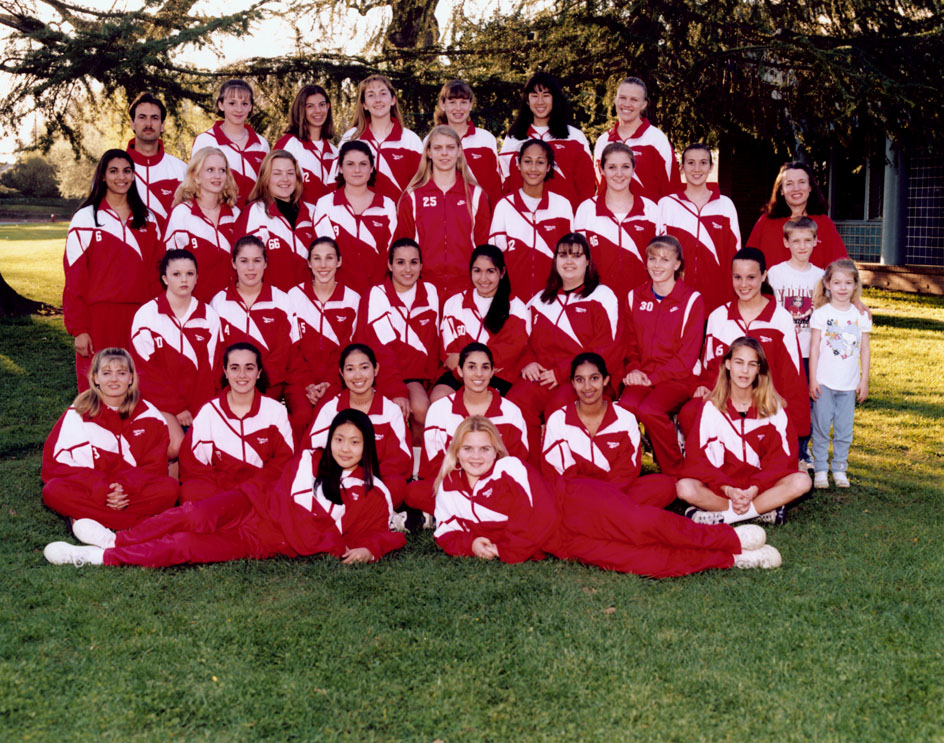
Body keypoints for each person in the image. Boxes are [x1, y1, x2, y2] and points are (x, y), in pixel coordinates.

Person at [45, 410, 406, 568]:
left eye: (354, 442)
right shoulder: (310, 459)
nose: (344, 448)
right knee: (192, 514)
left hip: (266, 539)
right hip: (250, 504)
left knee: (187, 545)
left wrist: (368, 549)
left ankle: (99, 558)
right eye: (338, 439)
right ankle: (117, 540)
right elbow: (285, 498)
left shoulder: (373, 494)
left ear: (366, 448)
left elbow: (388, 534)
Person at [433, 416, 783, 575]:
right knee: (641, 562)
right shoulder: (449, 488)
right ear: (456, 452)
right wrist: (472, 543)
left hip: (575, 503)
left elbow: (538, 518)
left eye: (484, 449)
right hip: (562, 542)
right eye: (468, 449)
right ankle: (731, 560)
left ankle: (728, 537)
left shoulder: (511, 469)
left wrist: (507, 550)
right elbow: (445, 532)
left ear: (496, 451)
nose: (476, 457)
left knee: (642, 525)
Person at [508, 233, 622, 452]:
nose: (569, 261)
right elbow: (522, 341)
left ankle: (559, 472)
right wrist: (528, 362)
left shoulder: (602, 296)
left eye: (576, 256)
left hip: (582, 379)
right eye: (563, 255)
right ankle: (527, 471)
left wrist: (563, 372)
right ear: (555, 261)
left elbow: (607, 348)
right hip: (543, 376)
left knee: (558, 409)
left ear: (588, 261)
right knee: (515, 402)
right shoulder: (540, 300)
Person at [677, 338, 811, 525]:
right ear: (728, 364)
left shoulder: (773, 408)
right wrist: (728, 489)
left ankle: (725, 516)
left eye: (752, 364)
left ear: (759, 370)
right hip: (722, 489)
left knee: (802, 482)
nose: (745, 371)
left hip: (760, 488)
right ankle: (761, 511)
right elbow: (698, 460)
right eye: (739, 362)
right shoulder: (711, 407)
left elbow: (783, 461)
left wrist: (754, 489)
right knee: (685, 488)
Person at [41, 348, 179, 530]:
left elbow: (155, 467)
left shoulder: (149, 414)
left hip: (131, 492)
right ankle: (137, 525)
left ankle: (89, 521)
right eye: (106, 373)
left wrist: (124, 488)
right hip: (93, 490)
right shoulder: (78, 412)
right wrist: (104, 489)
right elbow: (55, 465)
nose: (114, 379)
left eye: (121, 373)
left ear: (131, 378)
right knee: (53, 491)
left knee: (170, 488)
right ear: (96, 378)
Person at [687, 247, 810, 443]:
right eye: (737, 277)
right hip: (725, 403)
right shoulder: (718, 317)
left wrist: (796, 428)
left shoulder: (780, 319)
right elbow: (708, 365)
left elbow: (792, 376)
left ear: (764, 276)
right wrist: (702, 385)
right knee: (689, 412)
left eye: (751, 277)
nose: (743, 285)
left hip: (765, 405)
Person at [63, 149, 162, 390]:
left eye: (127, 171)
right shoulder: (85, 219)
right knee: (97, 391)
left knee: (139, 389)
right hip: (99, 319)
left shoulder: (149, 220)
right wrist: (79, 329)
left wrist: (157, 320)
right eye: (114, 171)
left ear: (133, 175)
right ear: (103, 177)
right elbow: (74, 279)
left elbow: (159, 275)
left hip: (140, 318)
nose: (121, 177)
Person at [409, 342, 530, 515]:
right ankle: (478, 511)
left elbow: (517, 460)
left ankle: (457, 512)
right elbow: (434, 465)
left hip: (495, 485)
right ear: (459, 371)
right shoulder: (440, 409)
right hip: (452, 483)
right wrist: (466, 482)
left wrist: (485, 482)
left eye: (485, 367)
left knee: (518, 493)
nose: (478, 374)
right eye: (471, 367)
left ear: (492, 371)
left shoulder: (511, 411)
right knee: (414, 492)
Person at [620, 236, 705, 475]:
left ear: (677, 265)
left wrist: (653, 378)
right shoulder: (634, 296)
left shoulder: (691, 300)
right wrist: (634, 369)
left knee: (650, 410)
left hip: (679, 377)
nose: (657, 265)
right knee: (625, 407)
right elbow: (630, 344)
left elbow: (687, 358)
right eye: (652, 258)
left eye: (665, 259)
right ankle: (627, 470)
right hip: (643, 374)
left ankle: (676, 471)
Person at [543, 353, 675, 505]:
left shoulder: (625, 419)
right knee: (556, 497)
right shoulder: (558, 420)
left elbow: (626, 472)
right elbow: (558, 473)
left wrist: (603, 500)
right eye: (580, 380)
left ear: (605, 380)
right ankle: (614, 519)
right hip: (576, 498)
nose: (587, 387)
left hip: (615, 493)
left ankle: (604, 518)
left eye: (594, 378)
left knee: (664, 486)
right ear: (572, 383)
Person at [130, 249, 221, 457]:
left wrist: (204, 409)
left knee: (203, 451)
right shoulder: (146, 316)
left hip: (198, 403)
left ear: (197, 277)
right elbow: (144, 372)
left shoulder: (208, 317)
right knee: (176, 446)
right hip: (159, 402)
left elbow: (212, 369)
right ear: (165, 278)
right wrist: (177, 407)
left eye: (190, 274)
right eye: (176, 274)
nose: (184, 280)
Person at [178, 342, 294, 503]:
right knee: (191, 492)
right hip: (219, 492)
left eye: (249, 368)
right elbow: (192, 464)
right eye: (234, 368)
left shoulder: (275, 411)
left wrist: (252, 487)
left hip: (259, 489)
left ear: (259, 372)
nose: (242, 375)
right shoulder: (209, 411)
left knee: (283, 496)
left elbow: (284, 461)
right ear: (225, 372)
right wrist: (227, 491)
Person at [304, 344, 412, 507]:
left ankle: (357, 512)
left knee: (396, 486)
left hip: (375, 481)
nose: (358, 375)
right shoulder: (331, 408)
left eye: (364, 367)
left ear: (375, 370)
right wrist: (345, 475)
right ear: (341, 373)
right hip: (339, 479)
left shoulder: (390, 411)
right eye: (350, 369)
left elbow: (401, 459)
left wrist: (365, 477)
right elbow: (313, 450)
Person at [395, 125, 491, 299]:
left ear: (459, 151)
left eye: (450, 147)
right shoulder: (412, 197)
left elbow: (484, 246)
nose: (444, 153)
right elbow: (404, 249)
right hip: (423, 288)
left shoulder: (476, 195)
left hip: (466, 287)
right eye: (437, 148)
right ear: (429, 153)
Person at [357, 238, 440, 440]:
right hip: (381, 375)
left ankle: (418, 468)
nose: (408, 269)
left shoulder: (431, 292)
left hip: (417, 377)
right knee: (405, 410)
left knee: (425, 411)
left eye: (413, 262)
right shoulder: (377, 295)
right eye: (400, 262)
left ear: (421, 265)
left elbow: (437, 341)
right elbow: (381, 350)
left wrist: (433, 380)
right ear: (390, 265)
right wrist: (397, 390)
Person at [285, 236, 363, 441]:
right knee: (302, 417)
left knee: (326, 416)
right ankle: (299, 467)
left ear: (339, 261)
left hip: (336, 381)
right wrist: (307, 384)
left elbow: (349, 350)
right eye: (317, 259)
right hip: (300, 381)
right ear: (309, 263)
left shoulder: (352, 299)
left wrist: (331, 382)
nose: (323, 265)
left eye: (329, 258)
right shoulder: (293, 296)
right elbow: (291, 349)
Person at [766, 216, 825, 468]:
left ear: (815, 241)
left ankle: (803, 452)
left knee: (808, 403)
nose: (802, 246)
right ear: (786, 242)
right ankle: (777, 446)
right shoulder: (776, 273)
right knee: (780, 398)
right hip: (782, 351)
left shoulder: (821, 276)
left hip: (810, 349)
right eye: (796, 241)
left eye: (807, 241)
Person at [434, 245, 528, 401]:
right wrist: (462, 367)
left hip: (496, 377)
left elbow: (506, 355)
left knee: (479, 404)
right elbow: (448, 353)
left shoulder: (516, 307)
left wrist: (464, 361)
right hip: (459, 374)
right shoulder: (455, 302)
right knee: (440, 398)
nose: (483, 278)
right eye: (477, 271)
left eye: (490, 271)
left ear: (502, 272)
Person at [809, 259, 871, 489]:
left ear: (855, 285)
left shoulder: (861, 315)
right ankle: (821, 469)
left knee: (844, 430)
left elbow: (865, 349)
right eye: (837, 282)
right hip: (824, 383)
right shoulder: (821, 314)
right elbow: (814, 348)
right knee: (822, 427)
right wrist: (813, 378)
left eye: (848, 282)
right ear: (828, 284)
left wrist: (864, 379)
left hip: (848, 384)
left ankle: (840, 468)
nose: (842, 287)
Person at [487, 138, 574, 301]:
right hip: (512, 302)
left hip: (552, 301)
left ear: (549, 167)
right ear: (518, 165)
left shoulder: (562, 205)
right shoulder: (504, 206)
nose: (533, 168)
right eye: (527, 161)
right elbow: (493, 260)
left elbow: (572, 258)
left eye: (540, 162)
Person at [658, 143, 740, 312]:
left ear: (711, 167)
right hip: (675, 300)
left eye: (703, 163)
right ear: (682, 167)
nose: (697, 168)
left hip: (717, 301)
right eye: (690, 162)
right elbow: (658, 254)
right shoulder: (667, 204)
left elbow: (735, 255)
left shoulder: (725, 205)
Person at [209, 236, 293, 401]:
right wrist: (235, 381)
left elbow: (283, 352)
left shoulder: (281, 301)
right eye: (244, 261)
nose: (251, 268)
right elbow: (216, 354)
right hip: (230, 390)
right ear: (234, 263)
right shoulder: (219, 302)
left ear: (265, 263)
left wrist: (258, 381)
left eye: (257, 260)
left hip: (269, 390)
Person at [574, 142, 661, 299]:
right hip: (597, 301)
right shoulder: (586, 210)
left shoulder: (650, 210)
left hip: (641, 302)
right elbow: (578, 261)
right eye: (612, 167)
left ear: (634, 170)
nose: (619, 173)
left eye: (626, 167)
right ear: (602, 170)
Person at [310, 140, 397, 295]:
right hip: (337, 294)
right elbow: (324, 253)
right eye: (350, 164)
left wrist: (374, 291)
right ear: (341, 168)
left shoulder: (387, 205)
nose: (357, 170)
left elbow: (389, 253)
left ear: (371, 168)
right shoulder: (325, 205)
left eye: (363, 164)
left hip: (378, 294)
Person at [498, 71, 595, 211]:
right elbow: (505, 185)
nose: (540, 102)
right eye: (534, 96)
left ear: (555, 99)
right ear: (527, 100)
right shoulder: (514, 138)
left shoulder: (575, 137)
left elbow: (586, 187)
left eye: (546, 95)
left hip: (566, 222)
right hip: (523, 222)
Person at [164, 146, 241, 303]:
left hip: (231, 307)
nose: (217, 176)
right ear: (196, 175)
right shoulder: (182, 214)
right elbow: (168, 266)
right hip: (194, 308)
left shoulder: (236, 214)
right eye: (210, 170)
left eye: (222, 170)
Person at [233, 149, 314, 292]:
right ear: (266, 178)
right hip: (270, 304)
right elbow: (241, 262)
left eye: (290, 173)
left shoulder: (312, 212)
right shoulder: (254, 213)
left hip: (307, 303)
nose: (285, 179)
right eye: (277, 173)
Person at [592, 76, 681, 203]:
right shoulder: (603, 141)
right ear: (615, 99)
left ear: (643, 105)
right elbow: (600, 187)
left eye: (634, 99)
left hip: (648, 219)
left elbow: (671, 189)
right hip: (610, 220)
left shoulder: (656, 139)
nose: (627, 104)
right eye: (622, 98)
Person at [337, 74, 423, 204]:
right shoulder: (351, 137)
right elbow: (337, 181)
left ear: (393, 100)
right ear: (364, 104)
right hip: (358, 219)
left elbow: (421, 184)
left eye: (383, 93)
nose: (378, 100)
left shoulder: (410, 140)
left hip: (399, 219)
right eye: (371, 95)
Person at [746, 161, 848, 269]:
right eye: (789, 184)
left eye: (802, 182)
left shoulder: (824, 224)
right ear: (781, 190)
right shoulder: (765, 222)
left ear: (810, 187)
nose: (796, 188)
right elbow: (748, 264)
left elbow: (841, 268)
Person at [191, 79, 270, 207]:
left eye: (244, 103)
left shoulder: (261, 144)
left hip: (253, 217)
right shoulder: (205, 140)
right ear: (221, 105)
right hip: (219, 215)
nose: (239, 109)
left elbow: (265, 186)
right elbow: (194, 184)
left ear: (250, 107)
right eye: (232, 103)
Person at [433, 79, 502, 206]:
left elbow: (495, 185)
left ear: (471, 105)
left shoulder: (486, 139)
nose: (458, 108)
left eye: (463, 102)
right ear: (443, 105)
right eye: (452, 102)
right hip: (445, 216)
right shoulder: (431, 139)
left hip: (481, 216)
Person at [125, 92, 187, 233]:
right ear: (132, 123)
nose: (148, 124)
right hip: (128, 252)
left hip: (169, 253)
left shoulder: (181, 170)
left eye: (154, 118)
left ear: (162, 125)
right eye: (142, 117)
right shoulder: (114, 170)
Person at [274, 84, 338, 206]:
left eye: (322, 105)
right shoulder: (288, 144)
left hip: (326, 223)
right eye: (310, 106)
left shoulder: (335, 152)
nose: (318, 111)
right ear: (301, 109)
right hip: (297, 222)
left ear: (328, 107)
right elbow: (271, 188)